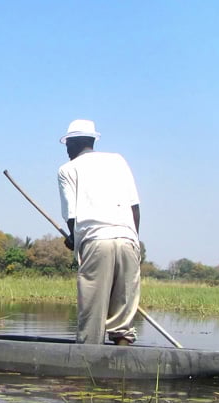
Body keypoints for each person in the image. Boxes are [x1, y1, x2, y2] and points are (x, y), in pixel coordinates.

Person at [57, 119, 142, 345]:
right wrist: (135, 243)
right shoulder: (118, 161)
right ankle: (122, 365)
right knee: (123, 319)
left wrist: (74, 240)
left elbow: (72, 217)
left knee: (92, 316)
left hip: (96, 242)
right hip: (128, 240)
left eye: (67, 144)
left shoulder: (67, 170)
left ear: (74, 143)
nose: (66, 150)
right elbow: (135, 208)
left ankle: (88, 367)